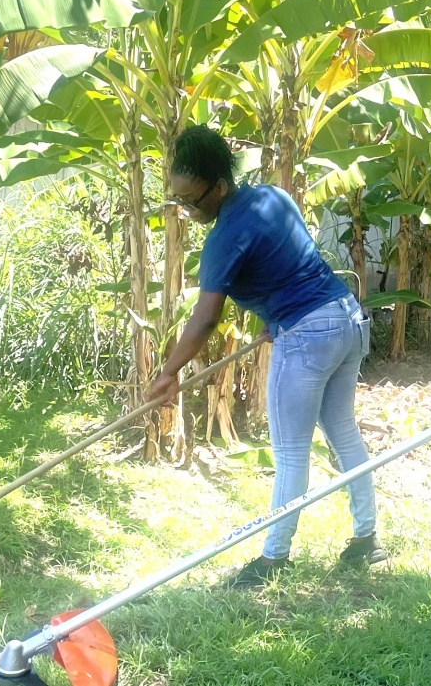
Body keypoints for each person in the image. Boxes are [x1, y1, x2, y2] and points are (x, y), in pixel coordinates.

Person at [145, 125, 386, 589]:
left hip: (309, 335)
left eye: (192, 200)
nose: (187, 209)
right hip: (347, 318)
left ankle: (274, 559)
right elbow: (287, 261)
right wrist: (270, 319)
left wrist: (170, 371)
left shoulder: (223, 238)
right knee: (342, 431)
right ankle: (366, 539)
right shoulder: (273, 196)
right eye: (178, 199)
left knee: (291, 451)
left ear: (218, 187)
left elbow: (205, 319)